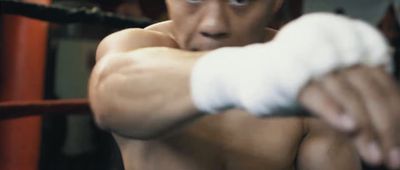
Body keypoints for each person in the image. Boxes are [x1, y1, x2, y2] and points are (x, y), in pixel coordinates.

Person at [88, 0, 400, 169]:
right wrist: (259, 72)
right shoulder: (136, 47)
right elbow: (111, 92)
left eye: (240, 1)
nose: (213, 24)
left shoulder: (306, 72)